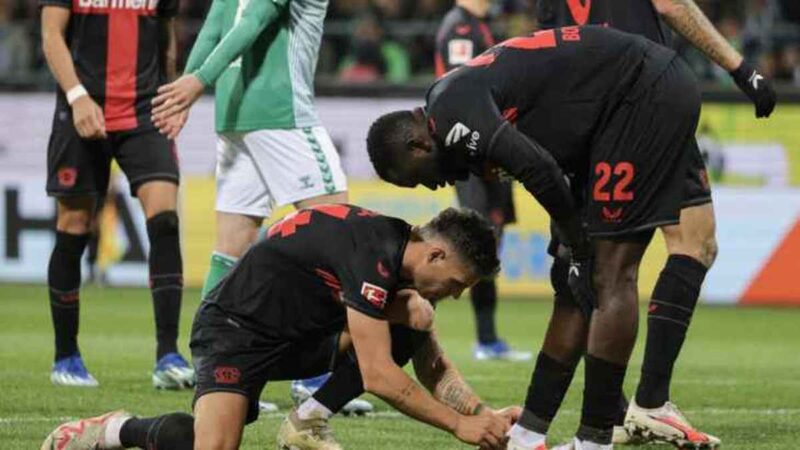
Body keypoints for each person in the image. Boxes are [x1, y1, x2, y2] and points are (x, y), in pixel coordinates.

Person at [366, 24, 725, 450]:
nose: (432, 187)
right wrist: (574, 245)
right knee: (570, 281)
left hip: (642, 91)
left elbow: (538, 168)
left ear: (417, 146)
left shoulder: (452, 115)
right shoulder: (448, 105)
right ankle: (528, 433)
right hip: (605, 118)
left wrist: (579, 243)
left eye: (417, 180)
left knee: (609, 272)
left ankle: (595, 440)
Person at [42, 205, 520, 450]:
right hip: (235, 332)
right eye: (457, 283)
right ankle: (114, 431)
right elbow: (378, 375)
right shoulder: (372, 255)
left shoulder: (397, 258)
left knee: (414, 317)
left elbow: (430, 361)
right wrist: (460, 425)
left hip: (302, 338)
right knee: (212, 445)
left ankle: (306, 421)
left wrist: (484, 414)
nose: (455, 294)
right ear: (435, 254)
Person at [516, 1, 777, 447]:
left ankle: (550, 425)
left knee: (588, 268)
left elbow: (547, 34)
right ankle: (644, 403)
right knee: (678, 247)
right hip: (645, 99)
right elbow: (671, 3)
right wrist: (740, 68)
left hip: (580, 110)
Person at [147, 0, 372, 414]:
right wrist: (195, 83)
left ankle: (214, 370)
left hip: (234, 113)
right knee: (339, 238)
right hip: (282, 111)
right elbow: (254, 20)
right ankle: (313, 376)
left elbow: (214, 27)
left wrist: (191, 86)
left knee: (230, 247)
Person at [40, 0, 194, 389]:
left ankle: (168, 356)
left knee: (165, 218)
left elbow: (166, 36)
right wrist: (76, 96)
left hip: (144, 111)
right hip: (83, 106)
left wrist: (172, 95)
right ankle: (66, 357)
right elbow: (51, 34)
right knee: (74, 223)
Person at [434, 0, 530, 362]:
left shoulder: (478, 24)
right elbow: (460, 92)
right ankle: (420, 322)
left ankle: (487, 339)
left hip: (490, 149)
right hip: (475, 153)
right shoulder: (460, 28)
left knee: (488, 242)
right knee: (475, 242)